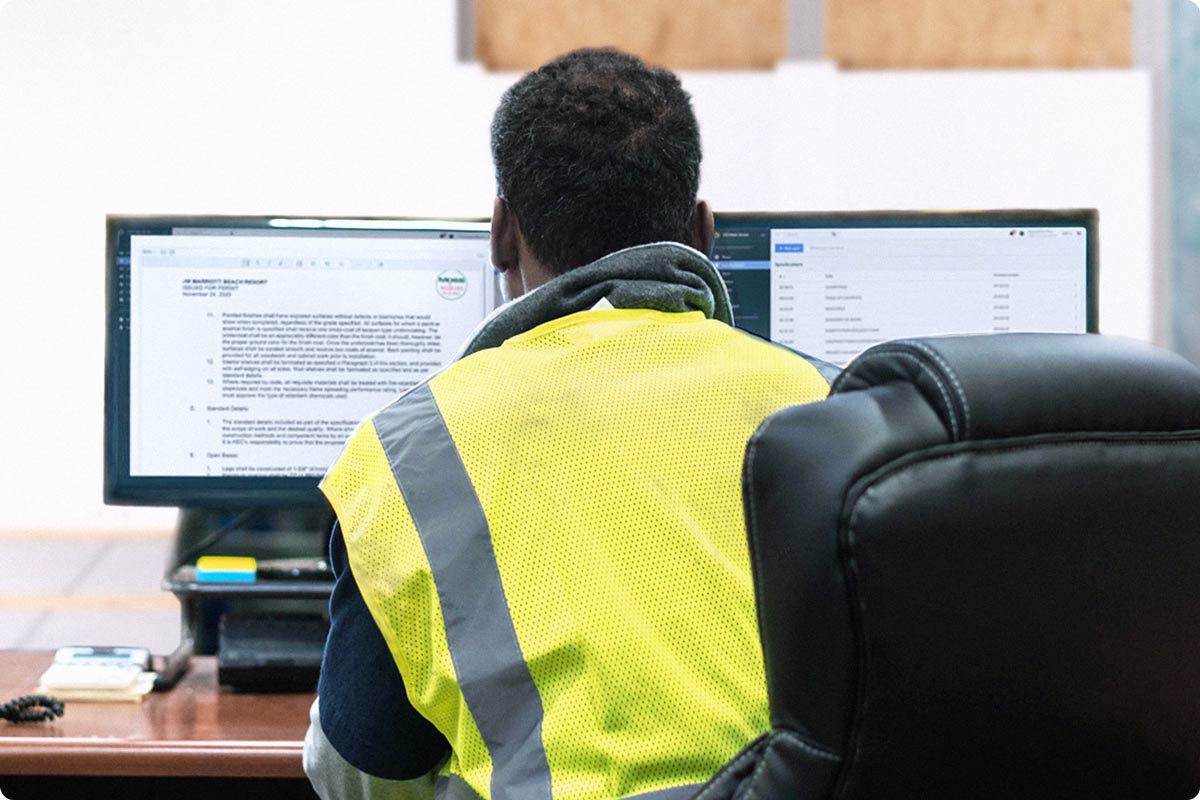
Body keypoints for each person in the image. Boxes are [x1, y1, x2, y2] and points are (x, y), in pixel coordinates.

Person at [304, 48, 834, 800]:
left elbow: (359, 772)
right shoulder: (834, 408)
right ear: (702, 231)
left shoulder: (412, 453)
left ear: (500, 233)